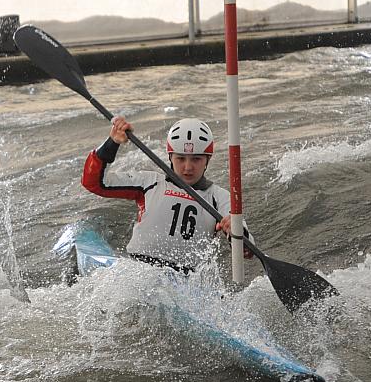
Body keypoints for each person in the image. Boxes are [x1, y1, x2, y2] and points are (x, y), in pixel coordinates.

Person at [81, 116, 252, 273]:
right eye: (181, 158)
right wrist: (112, 143)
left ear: (208, 159)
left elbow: (247, 251)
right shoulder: (149, 182)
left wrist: (237, 232)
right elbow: (94, 183)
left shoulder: (219, 197)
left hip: (187, 280)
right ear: (170, 157)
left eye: (196, 159)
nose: (188, 167)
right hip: (138, 270)